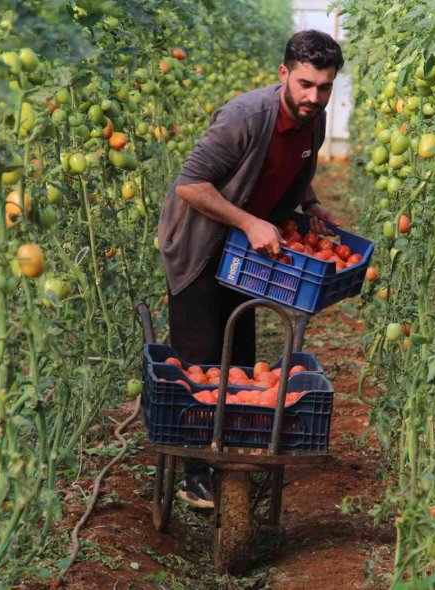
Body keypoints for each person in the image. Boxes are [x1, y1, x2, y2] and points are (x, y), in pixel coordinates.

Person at [157, 30, 344, 509]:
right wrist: (249, 221)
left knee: (238, 360)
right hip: (202, 246)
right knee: (199, 363)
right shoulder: (244, 118)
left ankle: (230, 458)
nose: (313, 96)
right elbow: (190, 186)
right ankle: (194, 473)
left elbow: (298, 171)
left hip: (247, 254)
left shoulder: (313, 121)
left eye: (324, 87)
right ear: (283, 74)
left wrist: (314, 205)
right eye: (304, 84)